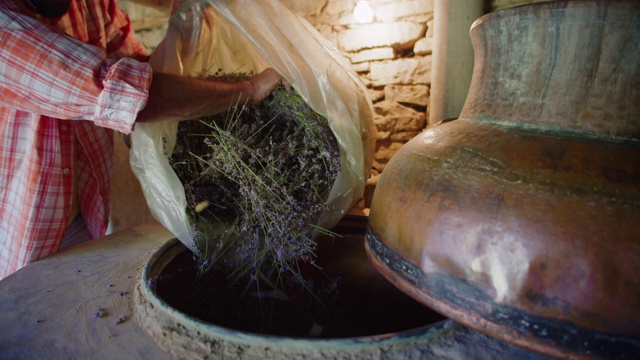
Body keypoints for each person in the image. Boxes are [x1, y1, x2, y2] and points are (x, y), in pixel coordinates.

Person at [0, 0, 284, 279]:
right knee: (26, 308)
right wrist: (249, 90)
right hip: (20, 224)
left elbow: (141, 68)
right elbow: (125, 92)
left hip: (85, 208)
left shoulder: (91, 6)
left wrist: (185, 32)